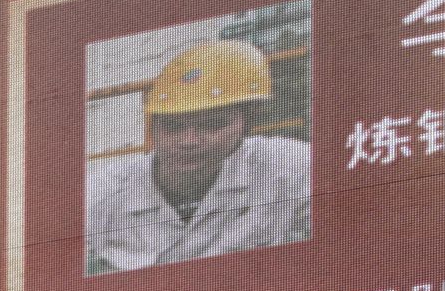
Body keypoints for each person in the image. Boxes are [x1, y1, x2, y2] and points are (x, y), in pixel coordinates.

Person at [84, 35, 312, 272]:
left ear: (250, 119)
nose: (188, 141)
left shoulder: (291, 170)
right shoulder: (100, 196)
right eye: (172, 126)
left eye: (212, 124)